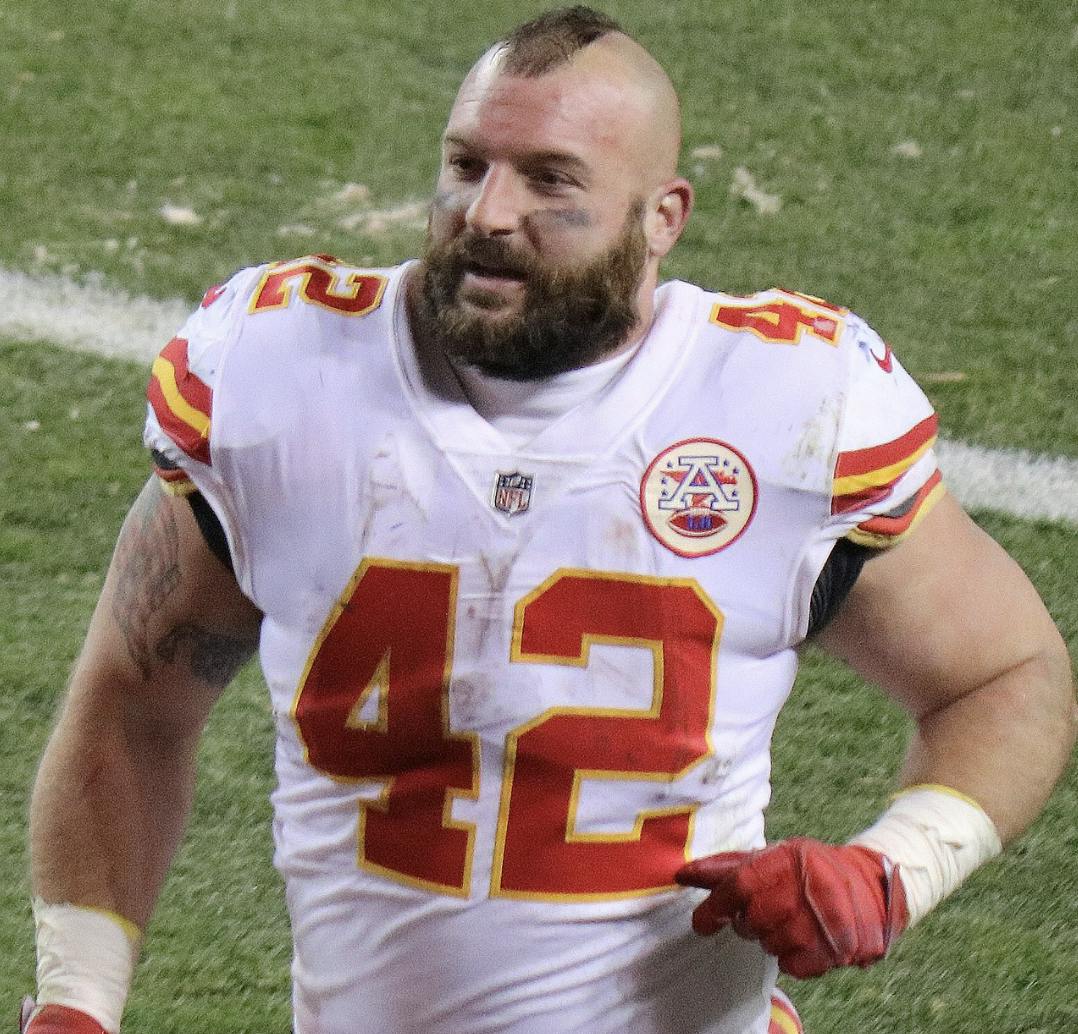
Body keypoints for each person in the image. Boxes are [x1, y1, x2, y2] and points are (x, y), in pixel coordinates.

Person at [21, 7, 1075, 1034]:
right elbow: (132, 703)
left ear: (662, 217)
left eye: (550, 178)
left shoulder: (788, 405)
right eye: (466, 164)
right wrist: (77, 997)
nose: (486, 211)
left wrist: (895, 866)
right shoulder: (279, 375)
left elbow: (1006, 674)